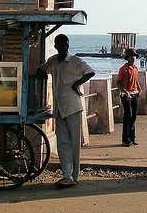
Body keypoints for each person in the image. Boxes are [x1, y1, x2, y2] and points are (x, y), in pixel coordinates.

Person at [38, 34, 95, 188]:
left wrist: (76, 84)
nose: (63, 47)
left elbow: (90, 72)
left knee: (75, 143)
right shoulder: (53, 60)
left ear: (68, 45)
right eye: (60, 45)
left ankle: (74, 176)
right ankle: (66, 175)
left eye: (65, 45)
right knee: (63, 143)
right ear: (56, 46)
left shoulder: (75, 61)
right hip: (59, 108)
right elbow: (41, 71)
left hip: (73, 107)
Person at [116, 48, 141, 146]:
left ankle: (132, 137)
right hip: (126, 95)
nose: (133, 58)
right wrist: (125, 92)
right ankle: (125, 139)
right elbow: (118, 82)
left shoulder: (135, 68)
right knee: (128, 116)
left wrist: (139, 89)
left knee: (134, 116)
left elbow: (136, 80)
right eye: (131, 56)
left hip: (134, 93)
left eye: (134, 56)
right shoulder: (123, 69)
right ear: (127, 57)